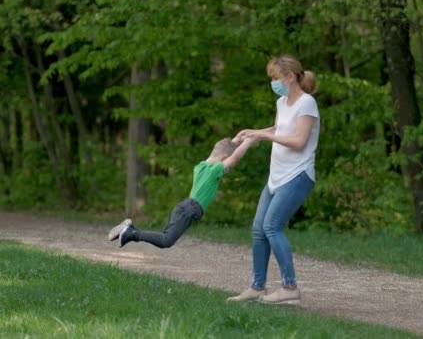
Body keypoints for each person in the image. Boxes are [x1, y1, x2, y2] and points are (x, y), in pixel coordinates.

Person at [227, 55, 319, 305]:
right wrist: (255, 133)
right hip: (276, 176)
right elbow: (279, 130)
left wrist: (265, 137)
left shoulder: (306, 103)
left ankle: (290, 288)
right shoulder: (283, 102)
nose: (273, 83)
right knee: (259, 230)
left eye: (276, 78)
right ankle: (257, 287)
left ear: (290, 77)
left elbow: (299, 141)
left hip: (298, 175)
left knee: (272, 227)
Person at [107, 137, 254, 248]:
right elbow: (234, 158)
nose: (227, 169)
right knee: (166, 241)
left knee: (164, 238)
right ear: (224, 159)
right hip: (189, 209)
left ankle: (131, 232)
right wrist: (248, 141)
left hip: (185, 207)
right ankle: (131, 233)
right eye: (226, 165)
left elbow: (225, 151)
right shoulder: (213, 171)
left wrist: (235, 142)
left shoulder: (201, 167)